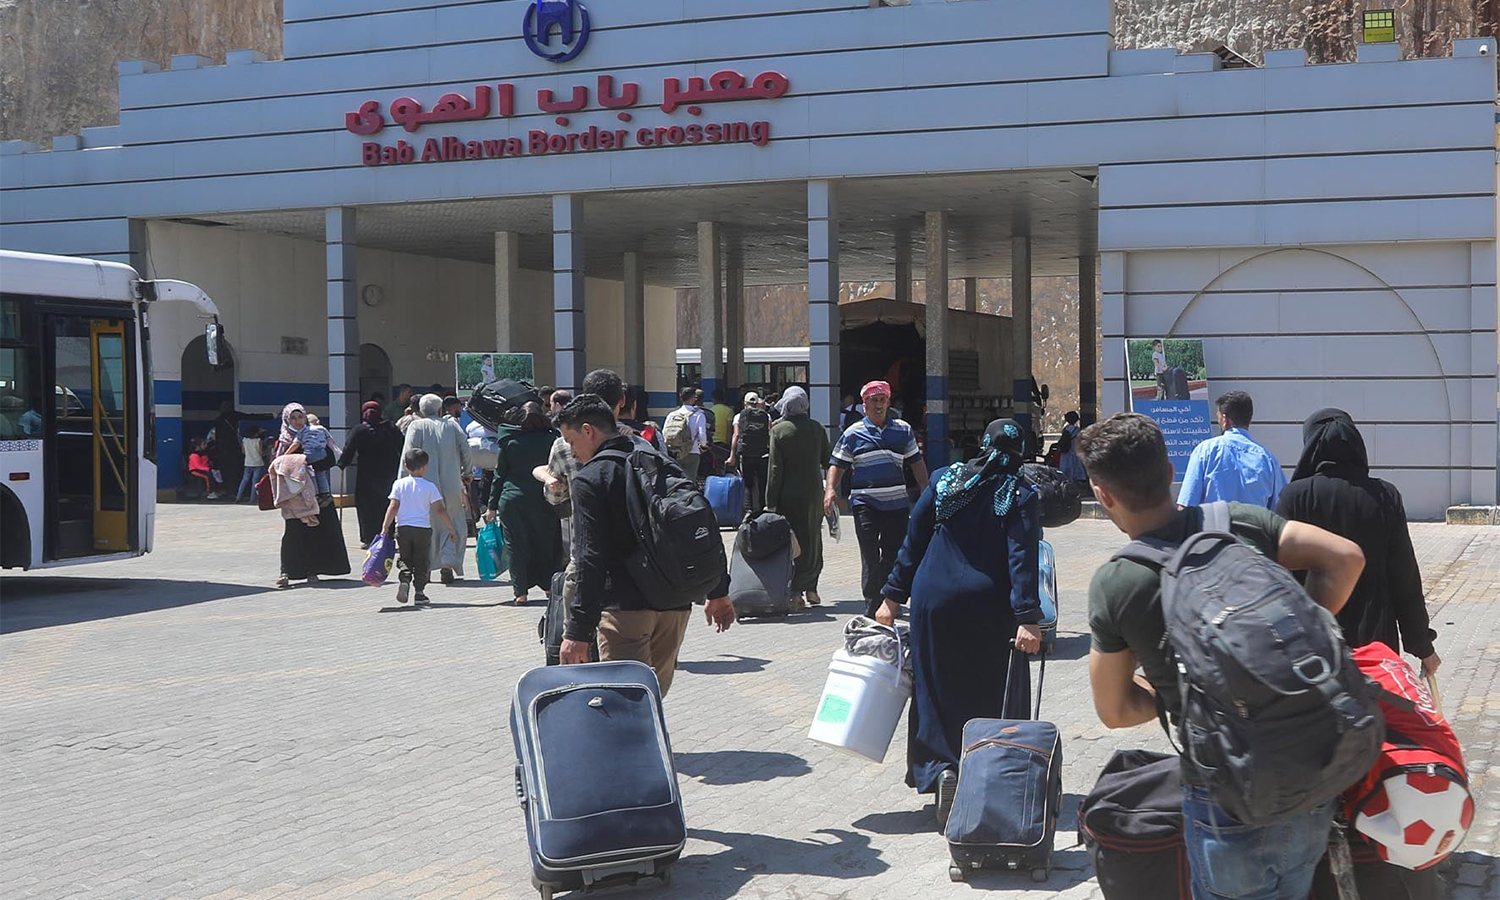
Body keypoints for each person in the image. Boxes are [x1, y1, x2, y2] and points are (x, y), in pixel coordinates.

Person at [1077, 412, 1365, 900]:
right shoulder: (1235, 521)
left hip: (1227, 800)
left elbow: (1115, 709)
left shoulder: (1118, 581)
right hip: (1311, 773)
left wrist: (1178, 691)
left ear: (1104, 496)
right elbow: (1346, 558)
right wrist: (1293, 636)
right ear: (1170, 471)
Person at [877, 418, 1043, 827]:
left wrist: (892, 597)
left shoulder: (945, 479)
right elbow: (1022, 557)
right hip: (988, 607)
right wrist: (1028, 618)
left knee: (934, 689)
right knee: (988, 691)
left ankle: (941, 770)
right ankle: (983, 771)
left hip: (933, 600)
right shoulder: (1019, 492)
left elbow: (913, 539)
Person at [554, 395, 735, 694]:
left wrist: (577, 631)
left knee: (626, 706)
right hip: (675, 604)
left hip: (626, 611)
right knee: (651, 702)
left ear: (588, 431)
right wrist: (718, 591)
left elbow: (590, 557)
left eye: (571, 442)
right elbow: (698, 522)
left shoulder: (591, 478)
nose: (572, 453)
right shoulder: (659, 461)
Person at [1277, 408, 1439, 675]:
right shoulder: (1384, 496)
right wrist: (1422, 646)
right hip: (1376, 642)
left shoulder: (1294, 497)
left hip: (1313, 646)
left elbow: (1276, 576)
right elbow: (1404, 578)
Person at [827, 380, 930, 618]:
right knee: (870, 556)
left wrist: (926, 490)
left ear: (888, 402)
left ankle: (888, 596)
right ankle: (872, 604)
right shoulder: (853, 434)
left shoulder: (902, 430)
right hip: (865, 504)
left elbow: (916, 463)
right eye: (873, 400)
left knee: (894, 554)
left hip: (897, 504)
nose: (878, 405)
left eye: (882, 400)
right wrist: (830, 489)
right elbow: (837, 464)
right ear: (864, 405)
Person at [486, 401, 563, 605]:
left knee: (516, 546)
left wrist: (491, 506)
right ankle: (548, 587)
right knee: (546, 543)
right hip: (545, 498)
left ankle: (520, 593)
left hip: (513, 500)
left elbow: (499, 476)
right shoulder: (552, 439)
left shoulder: (510, 441)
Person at [765, 386, 832, 610]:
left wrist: (770, 501)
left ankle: (795, 592)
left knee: (792, 541)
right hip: (813, 493)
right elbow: (827, 460)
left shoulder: (778, 430)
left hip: (787, 494)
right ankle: (811, 586)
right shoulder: (817, 428)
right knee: (813, 538)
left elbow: (775, 469)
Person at [272, 402, 351, 589]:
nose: (298, 421)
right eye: (293, 418)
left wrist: (310, 465)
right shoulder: (284, 441)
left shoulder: (316, 434)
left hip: (317, 493)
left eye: (300, 417)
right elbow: (277, 465)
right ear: (287, 419)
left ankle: (312, 570)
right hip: (294, 496)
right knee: (293, 533)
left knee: (315, 531)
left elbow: (329, 459)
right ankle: (286, 572)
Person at [399, 393, 471, 585]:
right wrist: (467, 472)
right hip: (453, 484)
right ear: (441, 409)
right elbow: (466, 449)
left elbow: (408, 455)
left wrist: (403, 482)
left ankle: (428, 568)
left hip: (425, 485)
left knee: (429, 525)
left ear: (421, 410)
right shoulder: (452, 426)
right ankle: (447, 564)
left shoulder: (416, 426)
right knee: (453, 522)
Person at [1178, 390, 1286, 509]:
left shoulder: (1205, 451)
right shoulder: (1268, 460)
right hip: (1254, 527)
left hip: (1212, 526)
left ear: (1224, 420)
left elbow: (1186, 506)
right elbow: (1280, 510)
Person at [381, 447, 459, 607]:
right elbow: (439, 509)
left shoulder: (399, 484)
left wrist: (385, 527)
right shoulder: (430, 486)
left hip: (402, 528)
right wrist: (451, 528)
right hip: (423, 530)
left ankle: (405, 577)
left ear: (406, 467)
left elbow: (393, 506)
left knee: (405, 558)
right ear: (425, 467)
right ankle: (419, 593)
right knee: (422, 561)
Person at [338, 401, 404, 547]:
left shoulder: (359, 429)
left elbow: (349, 449)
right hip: (388, 472)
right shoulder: (391, 428)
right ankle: (388, 533)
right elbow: (402, 446)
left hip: (366, 475)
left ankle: (369, 538)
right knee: (387, 503)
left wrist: (342, 464)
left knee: (366, 506)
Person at [727, 392, 772, 525]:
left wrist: (732, 455)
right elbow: (770, 433)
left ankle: (748, 511)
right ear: (757, 403)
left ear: (745, 403)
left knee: (748, 484)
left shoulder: (739, 416)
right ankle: (764, 509)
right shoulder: (766, 415)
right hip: (763, 454)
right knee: (763, 483)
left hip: (746, 454)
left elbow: (736, 435)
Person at [664, 386, 708, 480]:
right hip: (692, 452)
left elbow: (664, 433)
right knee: (690, 481)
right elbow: (702, 435)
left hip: (675, 452)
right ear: (693, 399)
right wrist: (703, 445)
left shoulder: (672, 415)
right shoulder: (699, 415)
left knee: (676, 480)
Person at [212, 401, 248, 500]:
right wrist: (270, 415)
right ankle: (238, 491)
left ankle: (230, 490)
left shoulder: (218, 420)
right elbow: (250, 416)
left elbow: (217, 437)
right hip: (233, 446)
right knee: (237, 469)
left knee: (227, 470)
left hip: (222, 449)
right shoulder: (234, 415)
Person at [235, 425, 267, 502]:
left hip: (247, 463)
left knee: (244, 480)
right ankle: (252, 499)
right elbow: (261, 453)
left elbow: (243, 451)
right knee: (255, 481)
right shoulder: (258, 441)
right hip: (258, 463)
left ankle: (238, 497)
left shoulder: (244, 440)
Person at [1056, 411, 1087, 483]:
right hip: (1075, 452)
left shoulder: (1066, 429)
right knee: (1076, 466)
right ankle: (1078, 480)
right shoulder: (1078, 430)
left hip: (1066, 452)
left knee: (1065, 468)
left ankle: (1066, 481)